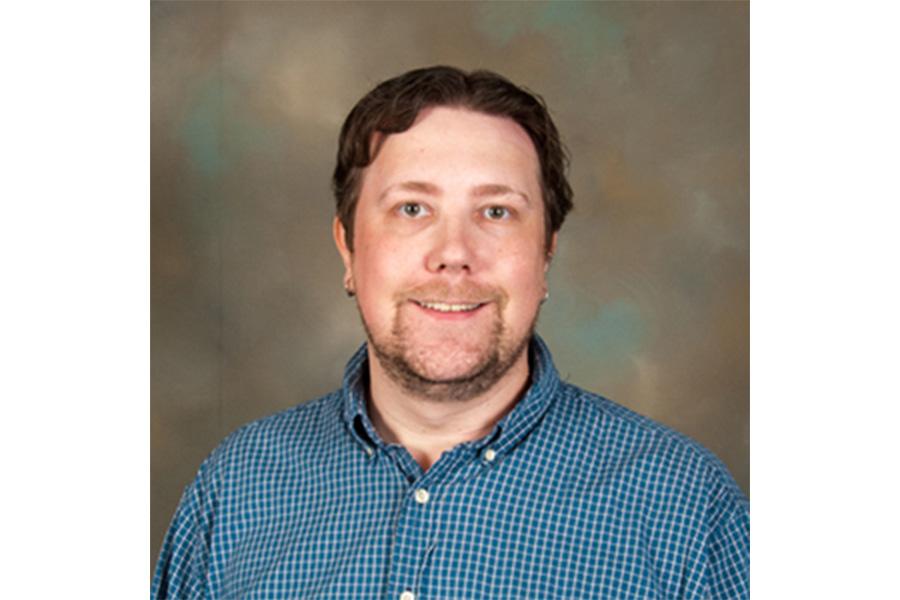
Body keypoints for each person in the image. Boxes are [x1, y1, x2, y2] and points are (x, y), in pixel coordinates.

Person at [152, 66, 749, 599]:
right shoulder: (238, 485)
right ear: (348, 248)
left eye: (496, 212)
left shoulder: (686, 510)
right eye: (412, 209)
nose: (454, 254)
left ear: (545, 253)